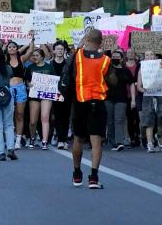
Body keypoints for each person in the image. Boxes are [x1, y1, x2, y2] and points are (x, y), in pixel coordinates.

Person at [59, 29, 115, 190]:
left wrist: (79, 45)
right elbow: (114, 81)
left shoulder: (77, 56)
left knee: (78, 138)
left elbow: (69, 72)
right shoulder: (105, 60)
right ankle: (94, 177)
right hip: (97, 102)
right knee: (96, 141)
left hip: (80, 101)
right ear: (101, 42)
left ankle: (77, 173)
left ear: (88, 39)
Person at [136, 51, 162, 153]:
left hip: (160, 95)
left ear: (155, 56)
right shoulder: (142, 68)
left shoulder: (160, 66)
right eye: (147, 55)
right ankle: (150, 144)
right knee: (149, 120)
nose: (149, 56)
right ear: (144, 57)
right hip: (148, 96)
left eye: (151, 54)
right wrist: (144, 90)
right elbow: (139, 86)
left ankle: (158, 136)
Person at [5, 39, 34, 150]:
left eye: (14, 47)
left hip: (20, 88)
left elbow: (30, 51)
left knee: (19, 114)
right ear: (7, 49)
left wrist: (32, 39)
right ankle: (10, 138)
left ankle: (18, 139)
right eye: (10, 47)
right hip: (9, 89)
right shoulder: (4, 60)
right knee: (9, 115)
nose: (12, 48)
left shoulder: (21, 59)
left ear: (17, 49)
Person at [25, 47, 55, 150]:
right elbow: (27, 81)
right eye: (33, 55)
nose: (34, 57)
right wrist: (29, 85)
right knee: (33, 121)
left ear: (42, 57)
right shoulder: (30, 68)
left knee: (45, 117)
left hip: (46, 95)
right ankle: (32, 138)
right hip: (34, 95)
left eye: (37, 55)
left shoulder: (49, 67)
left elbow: (54, 81)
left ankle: (44, 141)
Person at [104, 49, 133, 151]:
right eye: (113, 56)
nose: (115, 58)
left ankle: (119, 142)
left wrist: (133, 99)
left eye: (117, 57)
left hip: (121, 98)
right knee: (110, 121)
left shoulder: (125, 70)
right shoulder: (107, 69)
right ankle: (112, 141)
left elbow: (132, 83)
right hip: (108, 98)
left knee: (119, 120)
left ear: (121, 59)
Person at [49, 41, 71, 149]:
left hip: (66, 93)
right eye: (57, 49)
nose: (59, 51)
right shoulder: (50, 64)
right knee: (57, 117)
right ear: (54, 51)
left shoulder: (68, 64)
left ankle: (64, 139)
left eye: (61, 49)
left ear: (64, 51)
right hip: (53, 93)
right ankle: (60, 139)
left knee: (66, 117)